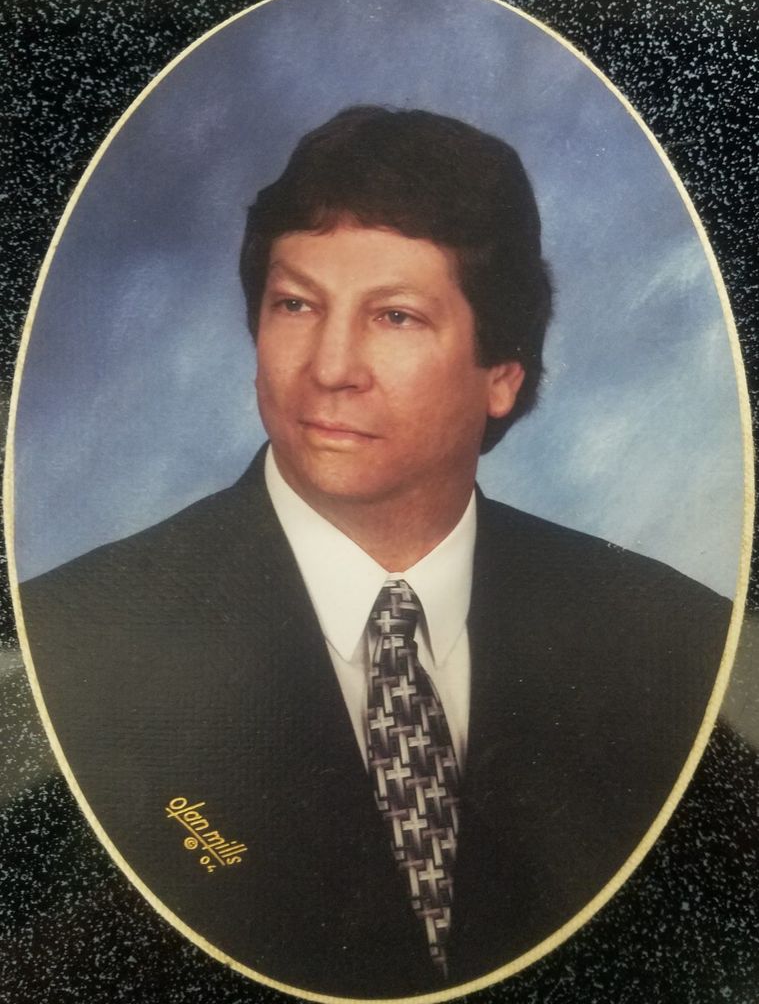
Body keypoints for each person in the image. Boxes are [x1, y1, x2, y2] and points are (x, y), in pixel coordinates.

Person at [19, 106, 732, 998]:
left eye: (394, 316)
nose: (330, 367)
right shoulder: (62, 642)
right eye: (295, 304)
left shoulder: (676, 645)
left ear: (502, 373)